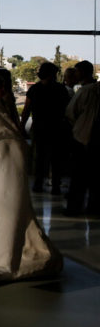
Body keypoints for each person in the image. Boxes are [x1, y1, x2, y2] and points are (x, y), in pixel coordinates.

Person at [19, 62, 70, 194]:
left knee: (40, 157)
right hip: (57, 128)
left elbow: (26, 110)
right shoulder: (61, 89)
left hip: (39, 128)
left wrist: (21, 126)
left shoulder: (34, 89)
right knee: (56, 158)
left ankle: (38, 184)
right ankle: (56, 186)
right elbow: (67, 110)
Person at [64, 61, 100, 215]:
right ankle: (94, 208)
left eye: (77, 72)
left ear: (83, 73)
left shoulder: (84, 91)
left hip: (82, 137)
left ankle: (74, 208)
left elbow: (71, 113)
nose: (75, 74)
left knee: (78, 177)